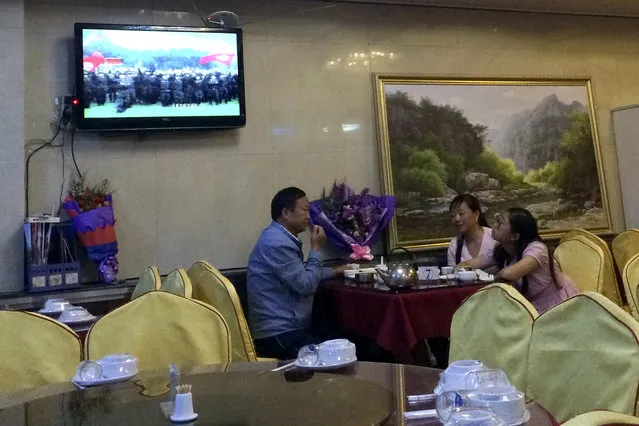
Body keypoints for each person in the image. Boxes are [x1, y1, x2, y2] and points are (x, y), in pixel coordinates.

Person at [247, 187, 347, 359]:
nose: (309, 216)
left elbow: (301, 275)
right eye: (305, 209)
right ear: (286, 213)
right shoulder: (277, 243)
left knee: (343, 340)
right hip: (279, 335)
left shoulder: (277, 237)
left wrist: (336, 271)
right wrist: (316, 248)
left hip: (284, 330)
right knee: (337, 357)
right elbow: (305, 285)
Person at [460, 207, 578, 313]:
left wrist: (490, 276)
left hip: (557, 304)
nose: (494, 225)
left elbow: (508, 274)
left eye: (500, 223)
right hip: (528, 305)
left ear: (514, 236)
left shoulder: (537, 249)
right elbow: (466, 264)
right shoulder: (500, 249)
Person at [447, 194, 497, 266]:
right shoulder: (455, 245)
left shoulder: (494, 238)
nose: (456, 219)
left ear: (476, 214)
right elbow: (452, 273)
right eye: (453, 215)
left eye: (461, 213)